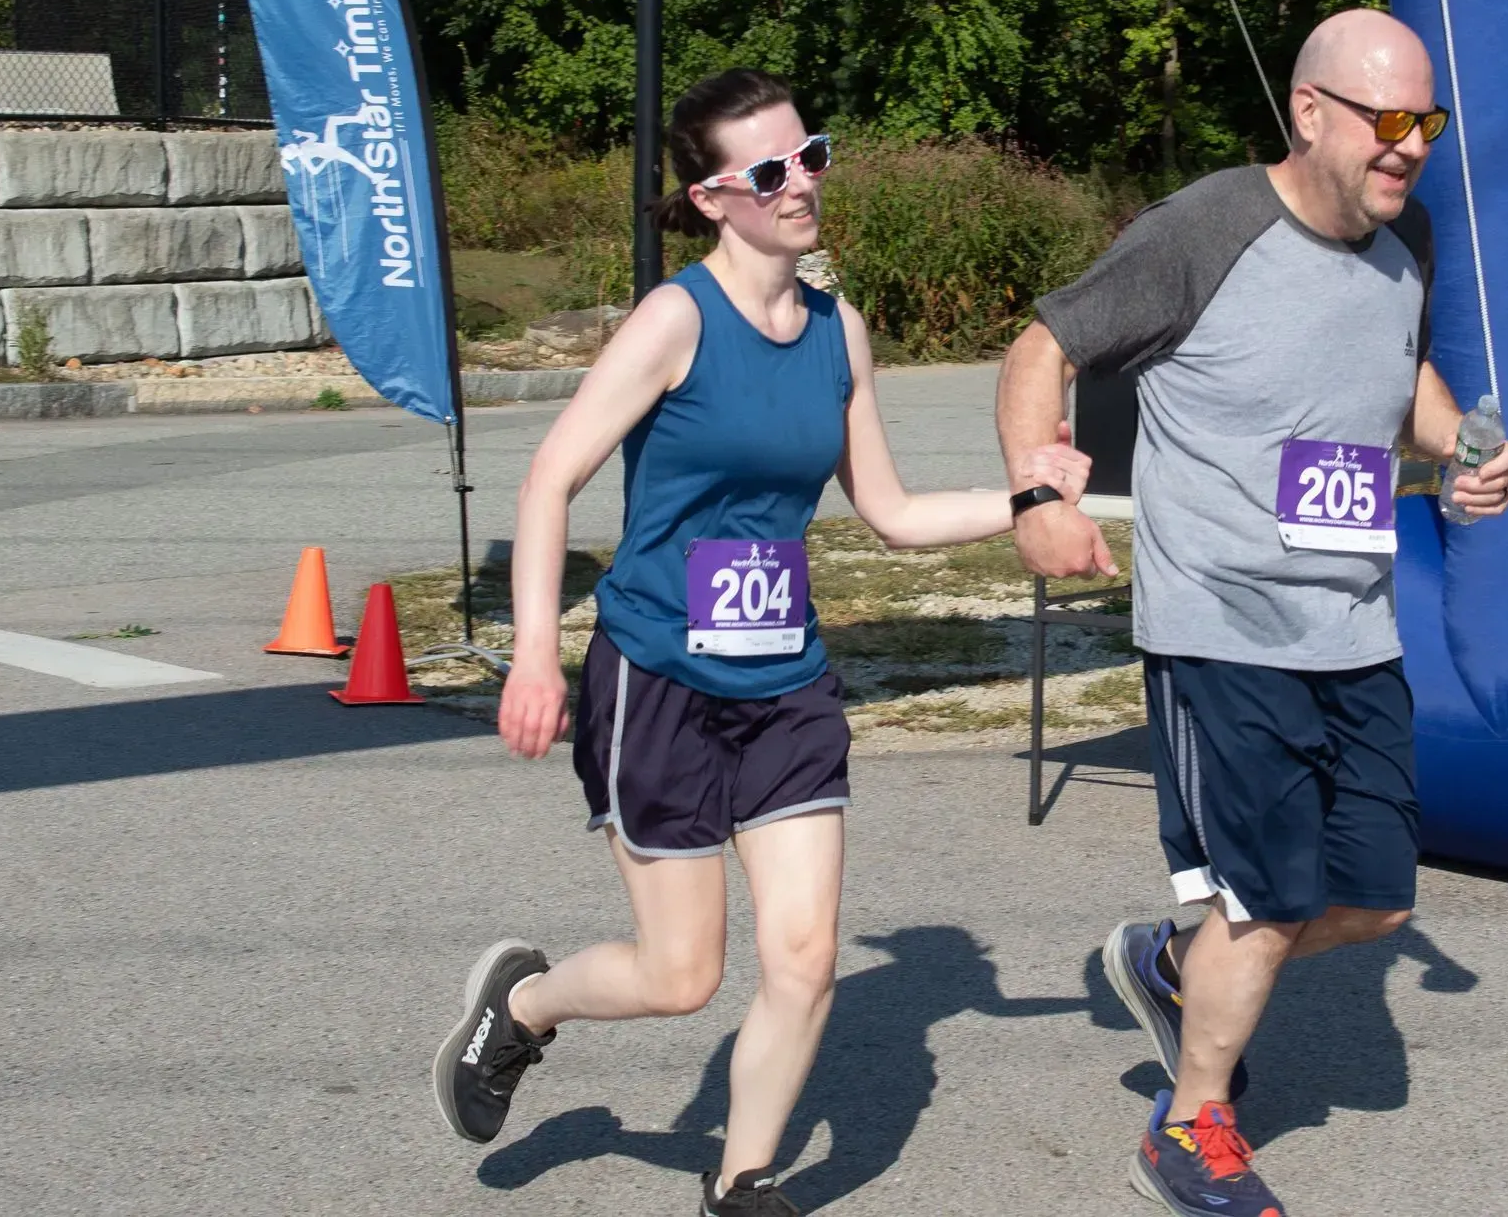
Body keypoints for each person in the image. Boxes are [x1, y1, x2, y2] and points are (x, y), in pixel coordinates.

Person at [433, 68, 1090, 1216]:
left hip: (785, 681)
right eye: (774, 171)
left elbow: (888, 512)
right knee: (683, 976)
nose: (804, 185)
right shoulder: (675, 320)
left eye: (814, 155)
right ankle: (523, 1006)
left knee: (804, 958)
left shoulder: (842, 331)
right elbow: (550, 478)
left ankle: (742, 1182)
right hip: (660, 677)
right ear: (712, 199)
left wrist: (1026, 500)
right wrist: (536, 653)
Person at [995, 10, 1508, 1217]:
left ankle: (1172, 962)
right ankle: (1188, 1127)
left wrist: (1462, 454)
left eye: (1426, 124)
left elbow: (1405, 376)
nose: (1408, 148)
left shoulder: (1410, 235)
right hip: (1219, 623)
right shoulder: (1207, 229)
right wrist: (1035, 489)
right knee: (1268, 895)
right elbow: (1042, 348)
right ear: (1310, 111)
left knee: (1377, 896)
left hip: (1355, 625)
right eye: (1386, 123)